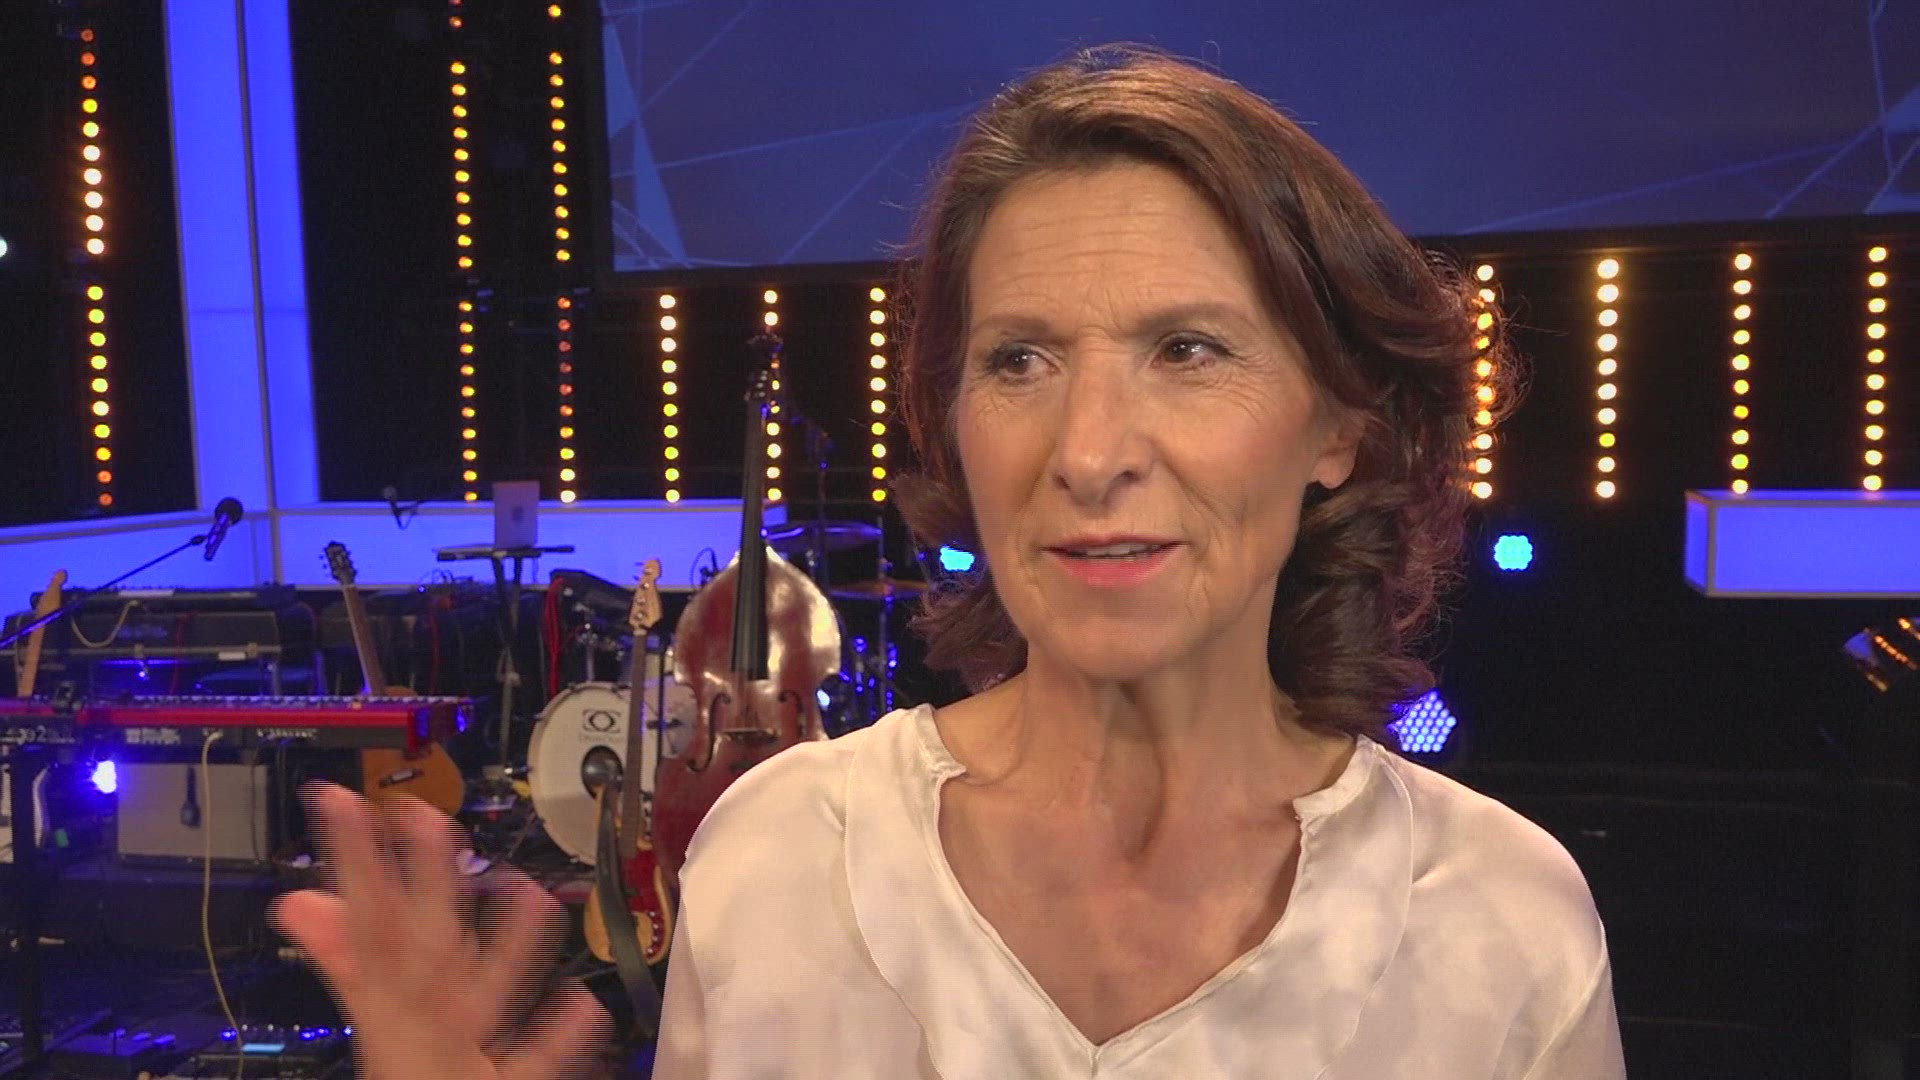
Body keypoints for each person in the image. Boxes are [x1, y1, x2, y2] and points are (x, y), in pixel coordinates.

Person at [274, 44, 1626, 1079]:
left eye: (1188, 350)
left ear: (1338, 427)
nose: (1086, 452)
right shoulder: (781, 858)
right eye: (1019, 360)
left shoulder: (1500, 922)